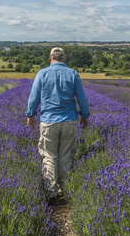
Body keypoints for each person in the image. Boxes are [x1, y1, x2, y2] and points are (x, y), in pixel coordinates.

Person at [26, 47, 90, 201]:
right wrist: (85, 116)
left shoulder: (42, 73)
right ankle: (65, 190)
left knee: (49, 157)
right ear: (64, 58)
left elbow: (34, 97)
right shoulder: (73, 73)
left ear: (50, 58)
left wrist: (30, 114)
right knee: (65, 156)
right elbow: (82, 97)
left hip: (49, 121)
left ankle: (51, 192)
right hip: (69, 120)